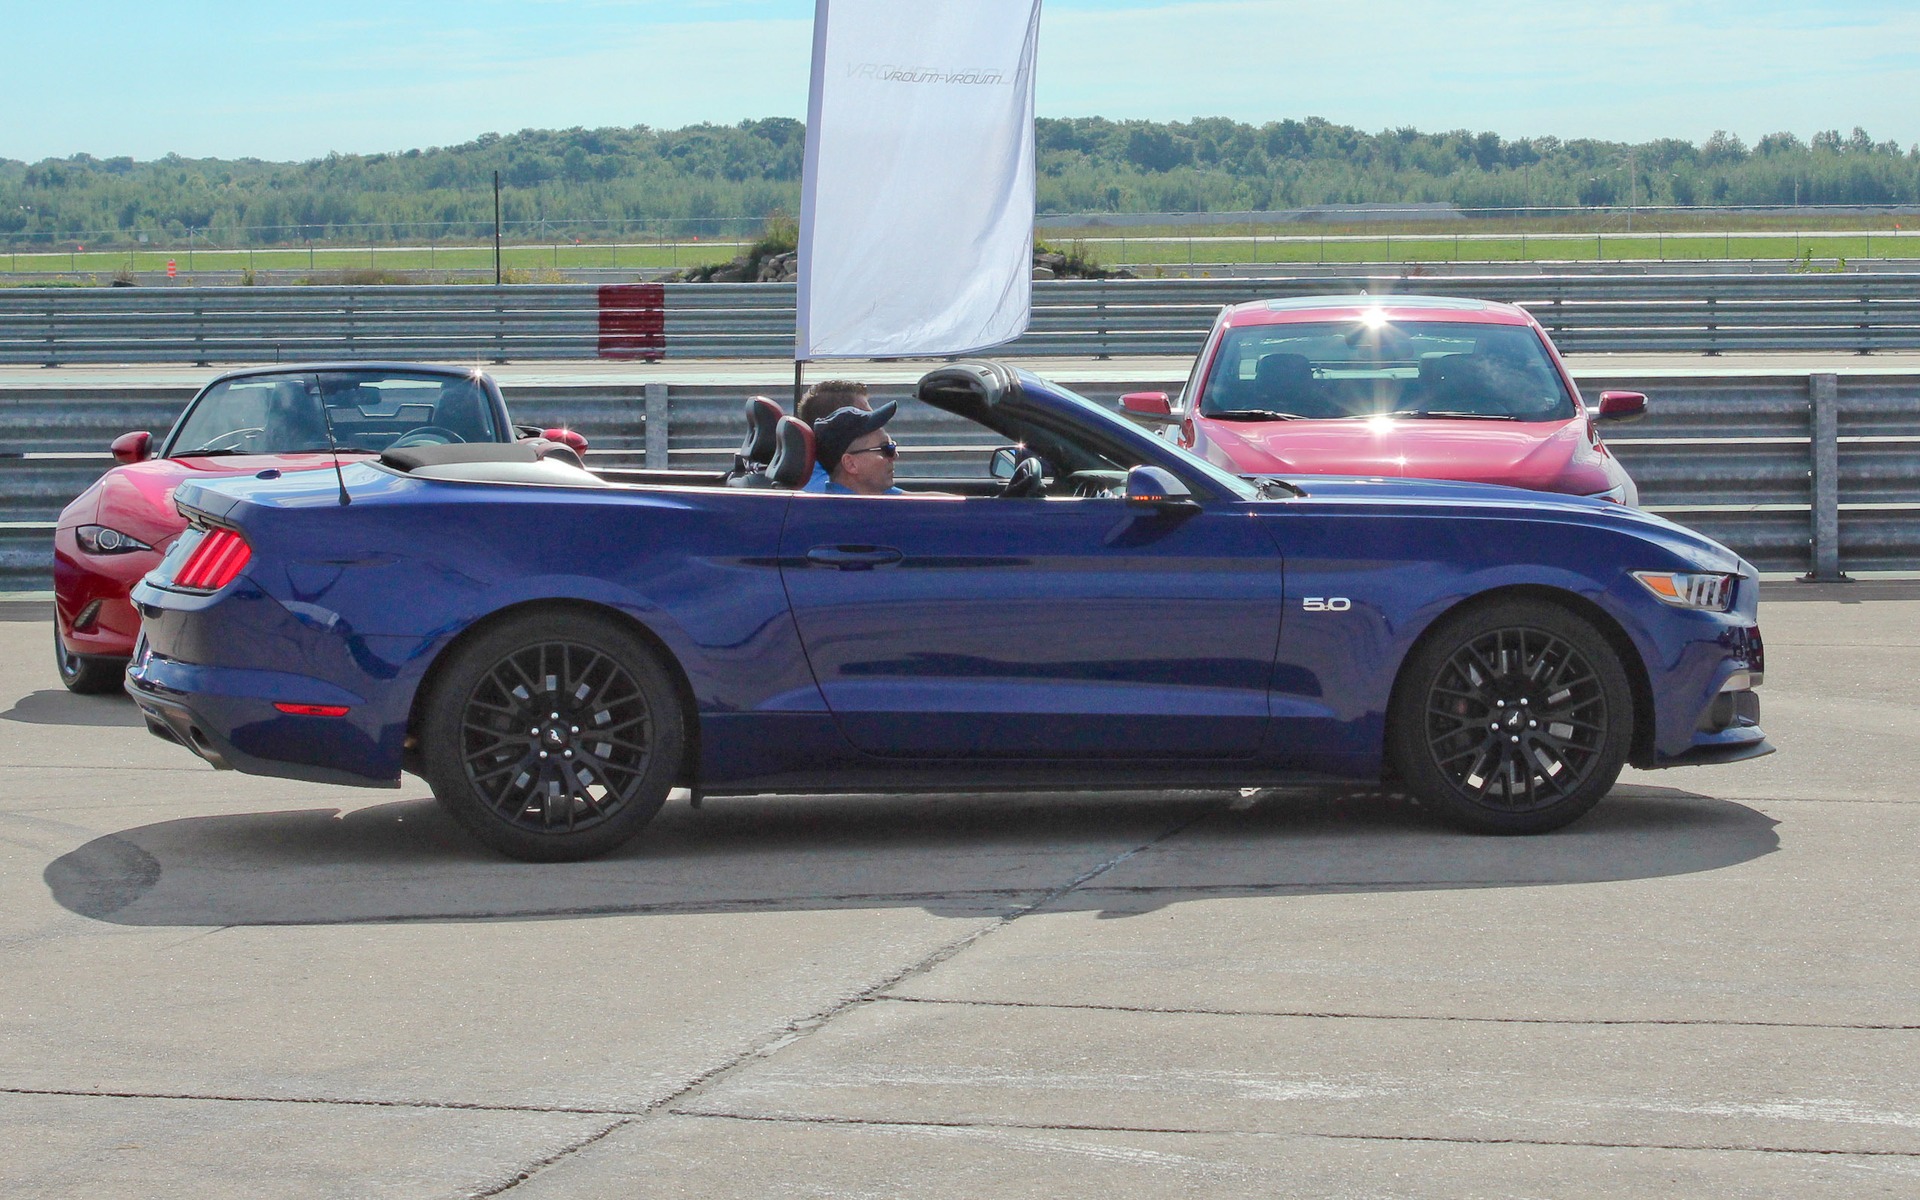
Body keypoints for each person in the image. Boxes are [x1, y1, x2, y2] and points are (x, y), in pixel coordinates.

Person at [810, 401, 904, 495]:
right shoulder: (851, 508)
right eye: (886, 449)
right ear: (850, 464)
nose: (895, 455)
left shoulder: (868, 501)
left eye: (892, 446)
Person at [796, 380, 870, 492]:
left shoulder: (811, 475)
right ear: (840, 427)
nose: (877, 429)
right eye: (867, 422)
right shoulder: (841, 489)